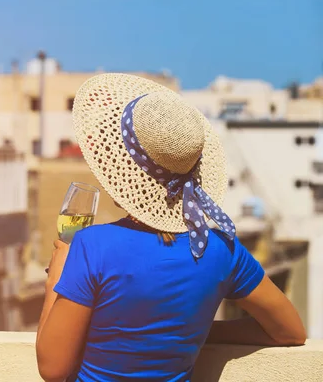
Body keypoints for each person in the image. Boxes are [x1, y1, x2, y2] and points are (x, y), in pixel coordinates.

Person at [35, 74, 306, 382]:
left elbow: (53, 370)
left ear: (123, 176)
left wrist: (55, 278)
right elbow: (290, 332)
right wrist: (195, 332)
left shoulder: (92, 246)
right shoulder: (221, 250)